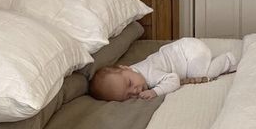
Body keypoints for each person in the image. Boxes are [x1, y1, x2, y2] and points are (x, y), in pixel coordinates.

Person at [89, 37, 237, 102]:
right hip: (186, 46)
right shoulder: (132, 72)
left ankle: (227, 60)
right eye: (127, 96)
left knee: (204, 74)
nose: (134, 91)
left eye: (129, 84)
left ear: (126, 68)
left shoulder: (149, 74)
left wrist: (155, 91)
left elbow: (173, 79)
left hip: (191, 51)